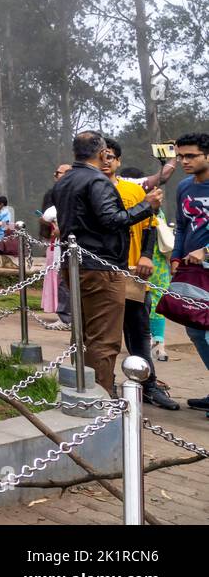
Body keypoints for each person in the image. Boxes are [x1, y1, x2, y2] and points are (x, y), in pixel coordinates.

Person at [50, 131, 161, 395]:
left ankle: (83, 388)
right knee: (104, 338)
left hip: (75, 264)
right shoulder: (97, 181)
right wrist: (146, 206)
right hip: (101, 267)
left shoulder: (63, 182)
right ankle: (100, 397)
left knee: (84, 334)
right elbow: (111, 220)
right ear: (101, 154)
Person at [105, 144, 177, 409]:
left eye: (109, 157)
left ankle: (148, 385)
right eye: (100, 156)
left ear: (118, 161)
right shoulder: (86, 190)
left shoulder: (134, 190)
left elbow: (149, 226)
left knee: (139, 331)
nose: (105, 161)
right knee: (103, 335)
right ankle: (105, 386)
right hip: (101, 273)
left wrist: (146, 256)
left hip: (134, 273)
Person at [169, 133, 209, 412]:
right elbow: (182, 226)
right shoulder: (184, 187)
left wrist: (207, 251)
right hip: (192, 273)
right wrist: (175, 256)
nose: (184, 161)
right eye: (180, 156)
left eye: (191, 155)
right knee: (195, 331)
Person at [40, 164, 72, 329]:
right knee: (64, 279)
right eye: (60, 173)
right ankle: (66, 317)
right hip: (62, 245)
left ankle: (67, 319)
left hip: (76, 245)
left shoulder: (73, 191)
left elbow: (48, 215)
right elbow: (46, 216)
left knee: (67, 281)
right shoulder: (55, 193)